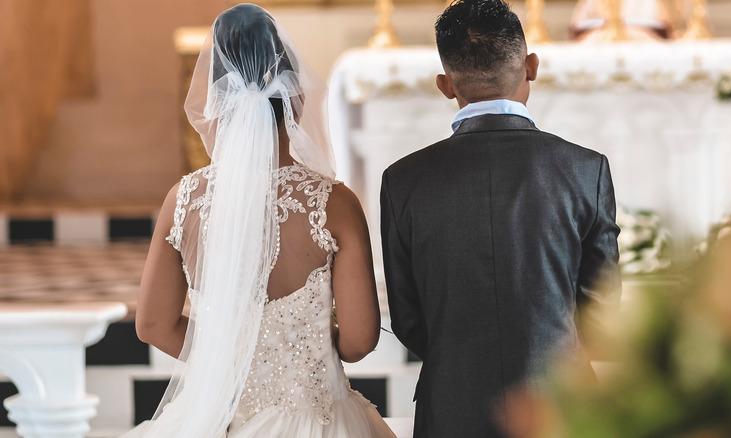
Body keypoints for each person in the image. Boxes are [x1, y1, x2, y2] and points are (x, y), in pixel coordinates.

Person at [125, 4, 396, 437]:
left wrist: (229, 361)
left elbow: (153, 324)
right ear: (297, 97)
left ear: (216, 101)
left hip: (220, 418)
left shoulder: (184, 200)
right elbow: (361, 341)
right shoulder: (335, 204)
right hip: (318, 416)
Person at [380, 1, 621, 437]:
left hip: (451, 408)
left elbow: (408, 319)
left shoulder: (403, 180)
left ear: (444, 85)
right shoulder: (586, 169)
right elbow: (602, 312)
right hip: (563, 409)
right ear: (531, 66)